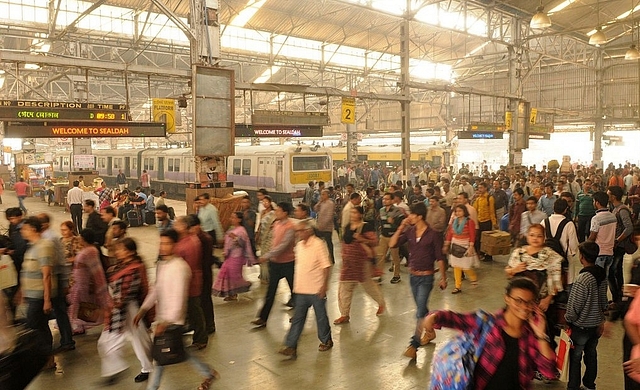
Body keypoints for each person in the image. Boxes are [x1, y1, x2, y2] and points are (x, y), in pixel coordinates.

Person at [419, 277, 557, 387]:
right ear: (507, 298)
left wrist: (540, 334)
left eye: (529, 302)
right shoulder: (487, 322)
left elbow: (549, 371)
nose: (524, 307)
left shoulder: (530, 336)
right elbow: (457, 319)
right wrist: (435, 316)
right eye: (518, 301)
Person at [134, 229, 219, 390]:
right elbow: (156, 289)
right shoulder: (162, 264)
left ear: (175, 245)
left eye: (167, 243)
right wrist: (143, 309)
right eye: (162, 243)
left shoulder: (180, 267)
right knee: (180, 352)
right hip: (163, 319)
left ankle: (152, 388)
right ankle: (208, 373)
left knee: (160, 357)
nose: (163, 247)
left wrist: (166, 322)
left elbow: (179, 298)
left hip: (173, 320)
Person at [390, 202, 446, 359]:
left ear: (419, 216)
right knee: (422, 309)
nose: (410, 217)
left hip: (426, 277)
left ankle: (414, 344)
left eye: (412, 215)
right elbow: (392, 243)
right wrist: (401, 227)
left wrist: (443, 277)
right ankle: (429, 331)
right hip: (413, 277)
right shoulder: (410, 231)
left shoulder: (433, 234)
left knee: (420, 311)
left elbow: (440, 258)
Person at [97, 237, 153, 385]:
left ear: (130, 252)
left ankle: (146, 368)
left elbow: (128, 292)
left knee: (139, 340)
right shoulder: (121, 266)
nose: (117, 252)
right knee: (108, 340)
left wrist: (113, 306)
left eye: (121, 249)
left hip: (130, 309)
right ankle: (115, 369)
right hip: (121, 308)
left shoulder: (134, 268)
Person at [278, 219, 333, 358]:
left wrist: (324, 285)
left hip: (316, 289)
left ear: (308, 231)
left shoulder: (319, 244)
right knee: (298, 318)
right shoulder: (299, 246)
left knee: (320, 317)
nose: (297, 233)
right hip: (301, 289)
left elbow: (326, 266)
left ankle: (326, 340)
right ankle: (291, 346)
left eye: (299, 231)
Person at [565, 241, 609, 390]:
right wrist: (602, 319)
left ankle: (573, 386)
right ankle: (590, 385)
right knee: (591, 355)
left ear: (581, 256)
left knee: (575, 357)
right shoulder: (602, 275)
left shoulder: (582, 279)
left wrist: (568, 320)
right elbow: (604, 300)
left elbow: (575, 306)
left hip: (581, 327)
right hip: (596, 325)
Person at [334, 206, 385, 325]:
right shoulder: (347, 227)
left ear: (360, 215)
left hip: (362, 262)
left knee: (368, 286)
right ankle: (344, 314)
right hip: (348, 263)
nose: (352, 215)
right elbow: (344, 243)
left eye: (354, 213)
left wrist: (361, 238)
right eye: (351, 213)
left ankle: (381, 303)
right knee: (344, 288)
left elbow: (374, 242)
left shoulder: (366, 226)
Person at [252, 202, 296, 327]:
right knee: (270, 292)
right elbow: (274, 242)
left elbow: (283, 246)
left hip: (288, 263)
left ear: (285, 213)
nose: (276, 212)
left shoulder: (290, 227)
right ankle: (263, 318)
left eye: (278, 210)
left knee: (294, 291)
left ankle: (299, 315)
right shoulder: (276, 224)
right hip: (275, 264)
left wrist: (265, 256)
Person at [18, 216, 56, 357]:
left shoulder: (44, 246)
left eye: (25, 229)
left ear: (33, 230)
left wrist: (47, 300)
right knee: (40, 325)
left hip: (39, 295)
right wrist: (21, 292)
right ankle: (46, 355)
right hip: (31, 294)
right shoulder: (32, 247)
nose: (22, 231)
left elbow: (46, 275)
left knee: (35, 325)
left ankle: (46, 355)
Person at [38, 213, 74, 352]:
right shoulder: (49, 238)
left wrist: (65, 282)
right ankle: (66, 340)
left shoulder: (49, 239)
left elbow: (61, 262)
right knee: (60, 311)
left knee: (60, 311)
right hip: (53, 280)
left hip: (55, 279)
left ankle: (66, 340)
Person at [173, 216, 207, 349]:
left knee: (195, 311)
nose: (175, 226)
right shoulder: (184, 240)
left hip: (190, 282)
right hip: (186, 282)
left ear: (184, 227)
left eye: (177, 224)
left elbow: (189, 267)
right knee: (190, 311)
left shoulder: (190, 243)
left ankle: (201, 339)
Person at [67, 228, 110, 335]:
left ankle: (77, 327)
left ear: (83, 238)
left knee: (79, 307)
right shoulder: (91, 250)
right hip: (83, 284)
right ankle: (78, 326)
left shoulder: (87, 252)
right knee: (78, 307)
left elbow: (92, 270)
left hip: (82, 285)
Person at [212, 212, 256, 301]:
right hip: (230, 255)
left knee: (234, 276)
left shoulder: (241, 230)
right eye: (231, 217)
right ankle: (232, 294)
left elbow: (244, 243)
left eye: (234, 217)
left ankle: (245, 285)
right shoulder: (232, 228)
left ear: (239, 220)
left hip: (237, 256)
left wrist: (235, 238)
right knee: (225, 273)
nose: (231, 219)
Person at [588, 191, 617, 303]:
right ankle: (604, 303)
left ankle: (598, 305)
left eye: (594, 201)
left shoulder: (596, 218)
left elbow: (592, 237)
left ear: (597, 203)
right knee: (604, 279)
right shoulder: (613, 216)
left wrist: (584, 246)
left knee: (596, 281)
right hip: (610, 252)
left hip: (599, 253)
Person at [610, 185, 636, 310]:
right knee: (616, 271)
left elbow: (629, 227)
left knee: (614, 271)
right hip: (617, 245)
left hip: (620, 246)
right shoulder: (616, 208)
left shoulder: (622, 210)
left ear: (613, 196)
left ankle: (618, 298)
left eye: (609, 193)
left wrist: (617, 239)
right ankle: (618, 298)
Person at [443, 204, 477, 294]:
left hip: (465, 245)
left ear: (464, 211)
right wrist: (447, 244)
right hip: (455, 245)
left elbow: (472, 235)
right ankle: (457, 286)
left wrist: (470, 247)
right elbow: (450, 234)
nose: (458, 213)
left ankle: (473, 278)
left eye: (460, 211)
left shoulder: (469, 222)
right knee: (456, 266)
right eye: (456, 211)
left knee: (466, 266)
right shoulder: (454, 221)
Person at [377, 192, 405, 283]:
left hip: (393, 236)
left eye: (387, 199)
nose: (385, 201)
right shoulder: (381, 210)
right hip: (383, 236)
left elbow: (402, 223)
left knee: (395, 257)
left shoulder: (397, 211)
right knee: (381, 256)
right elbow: (381, 221)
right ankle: (379, 275)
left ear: (392, 200)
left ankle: (396, 275)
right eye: (384, 199)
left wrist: (393, 222)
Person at [472, 182, 497, 262]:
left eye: (481, 188)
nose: (480, 189)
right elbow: (475, 209)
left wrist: (494, 223)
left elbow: (492, 211)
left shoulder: (489, 198)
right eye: (479, 188)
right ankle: (481, 254)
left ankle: (489, 256)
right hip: (479, 221)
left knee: (487, 240)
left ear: (486, 188)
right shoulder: (478, 198)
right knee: (479, 239)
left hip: (487, 221)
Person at [256, 195, 275, 284]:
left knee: (267, 256)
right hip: (263, 236)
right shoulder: (263, 212)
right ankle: (263, 275)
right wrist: (258, 235)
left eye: (266, 202)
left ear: (270, 202)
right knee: (263, 255)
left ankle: (269, 276)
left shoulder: (273, 213)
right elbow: (260, 224)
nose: (265, 203)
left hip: (270, 237)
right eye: (263, 202)